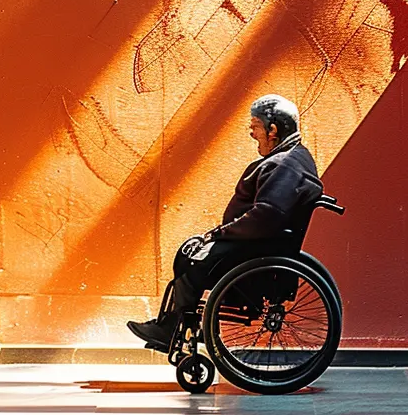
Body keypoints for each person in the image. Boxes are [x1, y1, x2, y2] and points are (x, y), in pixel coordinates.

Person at [127, 94, 324, 351]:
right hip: (259, 245)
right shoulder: (294, 157)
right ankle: (177, 326)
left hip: (254, 251)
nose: (251, 133)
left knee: (192, 260)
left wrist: (220, 233)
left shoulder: (284, 164)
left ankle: (172, 328)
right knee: (190, 251)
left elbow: (265, 216)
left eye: (255, 126)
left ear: (273, 129)